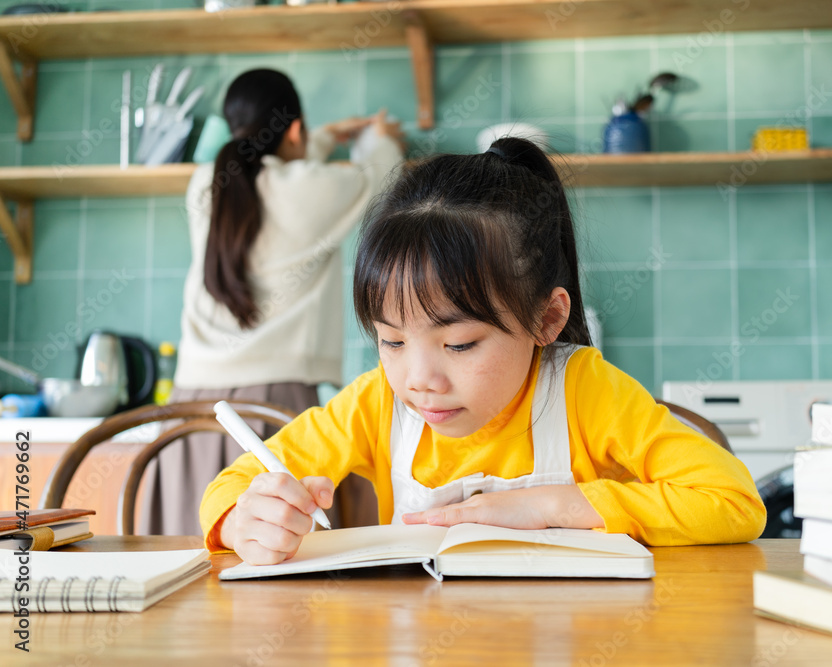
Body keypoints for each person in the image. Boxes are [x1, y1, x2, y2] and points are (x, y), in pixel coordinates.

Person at [200, 138, 765, 564]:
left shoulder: (581, 390)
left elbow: (734, 501)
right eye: (391, 341)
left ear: (547, 318)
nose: (419, 379)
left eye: (459, 343)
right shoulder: (378, 402)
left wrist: (551, 508)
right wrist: (242, 522)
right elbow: (228, 489)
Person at [139, 68, 404, 536]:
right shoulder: (314, 188)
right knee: (282, 566)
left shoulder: (204, 183)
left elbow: (272, 170)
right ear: (294, 130)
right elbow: (382, 179)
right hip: (274, 408)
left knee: (195, 574)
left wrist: (317, 138)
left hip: (189, 411)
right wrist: (381, 138)